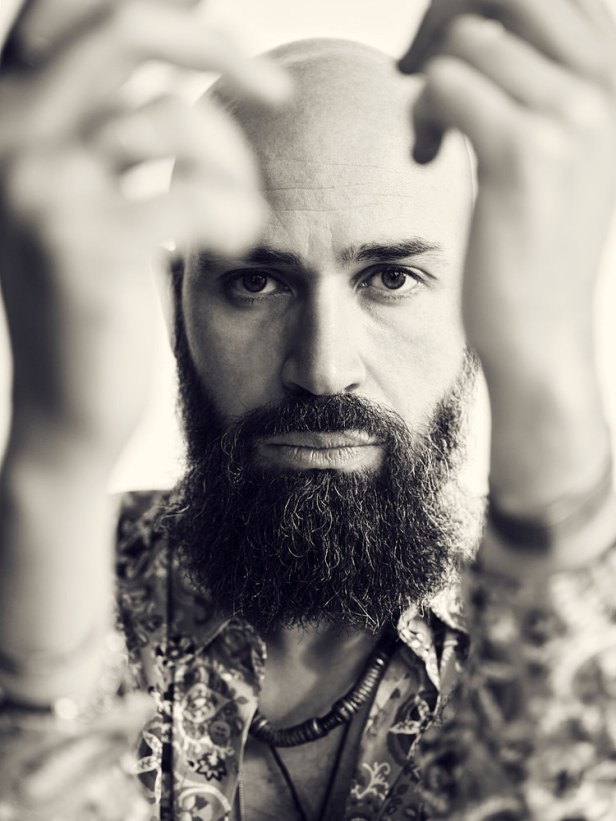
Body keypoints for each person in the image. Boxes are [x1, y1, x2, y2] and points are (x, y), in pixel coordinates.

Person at [1, 0, 616, 819]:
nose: (323, 370)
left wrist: (549, 376)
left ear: (474, 297)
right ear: (175, 307)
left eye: (391, 278)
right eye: (255, 282)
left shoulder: (588, 620)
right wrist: (55, 460)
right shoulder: (33, 577)